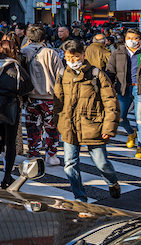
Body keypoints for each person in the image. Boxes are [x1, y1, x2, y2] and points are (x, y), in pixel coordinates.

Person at [54, 40, 121, 202]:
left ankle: (112, 182)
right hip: (70, 126)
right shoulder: (63, 73)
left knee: (101, 163)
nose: (72, 60)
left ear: (83, 55)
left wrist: (109, 128)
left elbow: (111, 102)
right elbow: (58, 101)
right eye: (69, 57)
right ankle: (80, 196)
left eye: (76, 57)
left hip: (93, 125)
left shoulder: (97, 74)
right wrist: (58, 123)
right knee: (70, 164)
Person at [0, 40, 33, 188]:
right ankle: (7, 177)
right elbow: (26, 85)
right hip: (11, 106)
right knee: (10, 142)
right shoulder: (14, 66)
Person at [106, 28, 141, 159]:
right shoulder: (118, 52)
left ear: (140, 40)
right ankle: (131, 132)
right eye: (129, 38)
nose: (131, 41)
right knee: (120, 117)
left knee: (140, 119)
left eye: (134, 38)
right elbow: (110, 71)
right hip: (123, 88)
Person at [21, 25, 64, 165]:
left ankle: (33, 152)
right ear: (44, 38)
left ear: (28, 37)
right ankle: (51, 154)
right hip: (50, 98)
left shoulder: (23, 52)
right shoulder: (51, 53)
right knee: (51, 127)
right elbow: (61, 74)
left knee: (33, 127)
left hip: (31, 97)